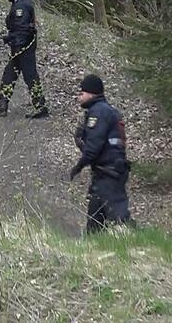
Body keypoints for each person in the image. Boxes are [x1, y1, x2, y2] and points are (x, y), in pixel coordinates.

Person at [69, 74, 131, 234]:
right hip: (106, 172)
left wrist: (79, 165)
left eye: (82, 93)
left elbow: (95, 145)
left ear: (92, 93)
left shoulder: (99, 112)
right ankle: (93, 248)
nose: (79, 97)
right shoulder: (105, 111)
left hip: (109, 173)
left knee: (120, 218)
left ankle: (140, 245)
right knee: (95, 220)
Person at [0, 0, 48, 118]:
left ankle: (41, 107)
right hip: (19, 47)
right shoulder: (19, 3)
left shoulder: (21, 6)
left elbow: (22, 29)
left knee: (30, 76)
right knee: (9, 75)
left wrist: (11, 40)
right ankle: (3, 104)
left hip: (23, 47)